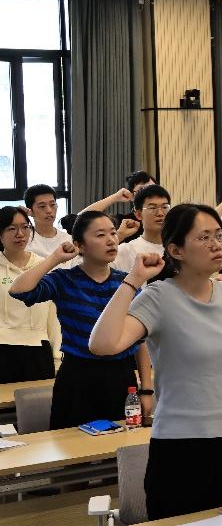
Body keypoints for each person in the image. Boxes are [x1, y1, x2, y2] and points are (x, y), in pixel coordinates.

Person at [88, 204, 222, 521]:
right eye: (204, 237)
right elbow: (102, 344)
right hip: (181, 446)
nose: (216, 244)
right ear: (176, 250)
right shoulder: (158, 297)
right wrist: (133, 280)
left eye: (219, 235)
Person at [9, 210, 152, 429]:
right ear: (80, 245)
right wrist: (55, 258)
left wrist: (147, 390)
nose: (111, 240)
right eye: (100, 235)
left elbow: (140, 342)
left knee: (122, 443)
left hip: (121, 376)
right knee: (72, 444)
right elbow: (19, 290)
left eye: (113, 233)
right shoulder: (64, 280)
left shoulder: (127, 283)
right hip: (78, 377)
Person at [0, 206, 60, 383]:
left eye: (25, 227)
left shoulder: (44, 266)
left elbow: (53, 317)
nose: (20, 234)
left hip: (38, 349)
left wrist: (57, 357)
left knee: (40, 400)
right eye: (12, 228)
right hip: (2, 349)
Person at [113, 185, 170, 273]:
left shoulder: (180, 248)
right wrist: (119, 235)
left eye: (165, 207)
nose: (160, 213)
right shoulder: (126, 251)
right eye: (153, 208)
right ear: (139, 214)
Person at [24, 184, 73, 261]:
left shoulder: (68, 240)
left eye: (52, 205)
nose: (49, 210)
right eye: (42, 206)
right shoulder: (24, 240)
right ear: (30, 210)